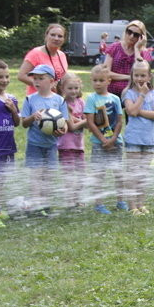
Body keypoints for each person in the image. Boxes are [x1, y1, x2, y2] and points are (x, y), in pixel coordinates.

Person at [20, 64, 68, 215]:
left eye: (41, 78)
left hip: (51, 145)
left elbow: (64, 124)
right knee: (36, 175)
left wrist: (62, 131)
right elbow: (24, 123)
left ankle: (45, 204)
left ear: (52, 82)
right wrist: (33, 117)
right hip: (34, 145)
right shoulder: (30, 99)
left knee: (47, 176)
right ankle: (35, 204)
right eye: (35, 78)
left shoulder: (59, 101)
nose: (37, 81)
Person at [122, 60, 154, 215]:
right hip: (133, 139)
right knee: (133, 173)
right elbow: (130, 111)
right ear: (132, 75)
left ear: (149, 76)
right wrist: (142, 95)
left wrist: (138, 111)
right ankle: (132, 206)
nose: (139, 78)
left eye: (143, 75)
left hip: (149, 139)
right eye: (136, 75)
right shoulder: (128, 93)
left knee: (143, 174)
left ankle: (141, 203)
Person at [84, 64, 125, 214]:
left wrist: (113, 138)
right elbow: (90, 122)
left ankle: (121, 201)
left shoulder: (115, 99)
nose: (98, 83)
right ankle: (98, 204)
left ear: (109, 81)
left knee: (118, 173)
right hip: (98, 144)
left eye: (101, 80)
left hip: (116, 143)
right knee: (99, 174)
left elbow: (120, 121)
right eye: (95, 80)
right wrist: (102, 139)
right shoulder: (91, 99)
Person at [0, 59, 20, 227]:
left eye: (7, 76)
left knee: (2, 180)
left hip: (8, 147)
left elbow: (17, 122)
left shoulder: (11, 99)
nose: (4, 80)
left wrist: (13, 110)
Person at [56, 73, 87, 208]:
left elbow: (85, 121)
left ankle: (77, 199)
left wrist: (81, 121)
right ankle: (70, 201)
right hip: (66, 145)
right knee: (69, 175)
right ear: (63, 89)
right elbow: (72, 127)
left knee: (81, 174)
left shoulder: (81, 102)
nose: (73, 91)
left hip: (79, 145)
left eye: (76, 88)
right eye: (70, 88)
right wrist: (85, 121)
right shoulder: (62, 104)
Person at [103, 20, 153, 97]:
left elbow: (141, 70)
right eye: (129, 32)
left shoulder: (143, 53)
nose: (131, 36)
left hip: (134, 94)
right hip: (112, 93)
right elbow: (106, 73)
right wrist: (129, 77)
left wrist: (137, 48)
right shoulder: (114, 47)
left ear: (141, 37)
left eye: (136, 35)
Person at [18, 24, 68, 95]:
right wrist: (43, 85)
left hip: (56, 99)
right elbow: (21, 76)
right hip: (38, 98)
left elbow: (63, 76)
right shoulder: (35, 53)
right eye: (52, 35)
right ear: (46, 36)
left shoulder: (62, 55)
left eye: (60, 36)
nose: (56, 38)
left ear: (64, 39)